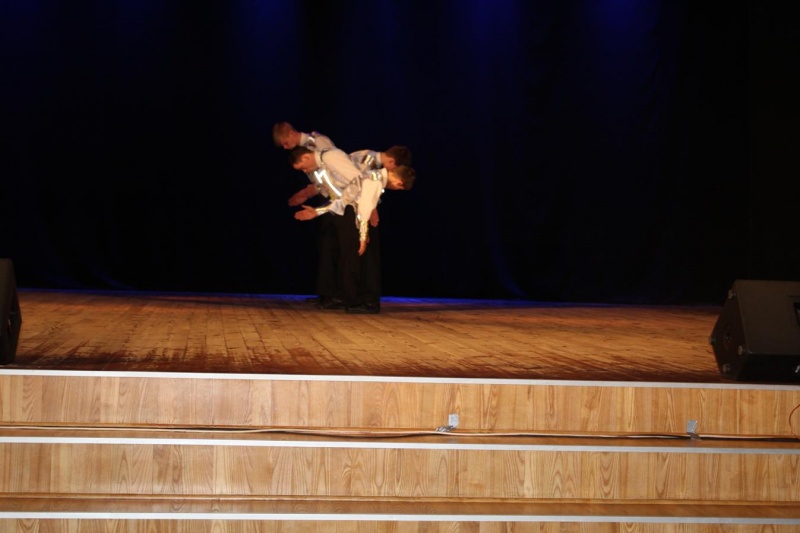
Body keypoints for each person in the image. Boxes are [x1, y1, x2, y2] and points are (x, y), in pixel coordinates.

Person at [289, 146, 416, 313]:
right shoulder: (374, 180)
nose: (397, 190)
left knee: (353, 259)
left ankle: (356, 299)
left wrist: (317, 212)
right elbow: (363, 209)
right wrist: (363, 236)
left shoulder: (370, 176)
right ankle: (362, 301)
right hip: (353, 217)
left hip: (349, 213)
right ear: (399, 183)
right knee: (357, 260)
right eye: (400, 188)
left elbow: (344, 199)